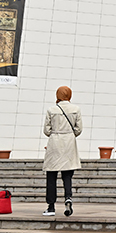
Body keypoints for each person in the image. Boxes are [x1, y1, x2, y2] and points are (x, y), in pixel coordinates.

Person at [43, 85, 83, 217]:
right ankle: (68, 198)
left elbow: (46, 130)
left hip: (55, 142)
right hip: (69, 143)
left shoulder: (51, 110)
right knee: (67, 175)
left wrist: (55, 133)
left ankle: (51, 206)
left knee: (51, 176)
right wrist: (70, 134)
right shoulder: (76, 109)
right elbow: (79, 129)